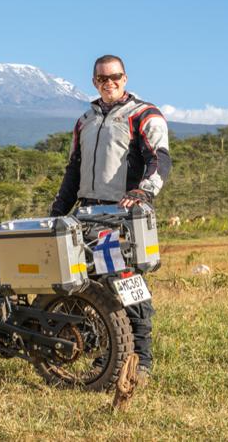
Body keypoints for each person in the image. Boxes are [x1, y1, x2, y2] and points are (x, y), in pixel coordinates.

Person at [50, 54, 172, 378]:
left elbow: (159, 159)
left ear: (126, 78)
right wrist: (57, 211)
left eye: (115, 77)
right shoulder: (84, 120)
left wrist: (143, 191)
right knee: (88, 284)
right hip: (86, 213)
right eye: (103, 79)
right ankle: (105, 351)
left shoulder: (144, 115)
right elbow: (73, 170)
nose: (110, 83)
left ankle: (141, 359)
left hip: (120, 215)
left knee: (126, 282)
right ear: (94, 82)